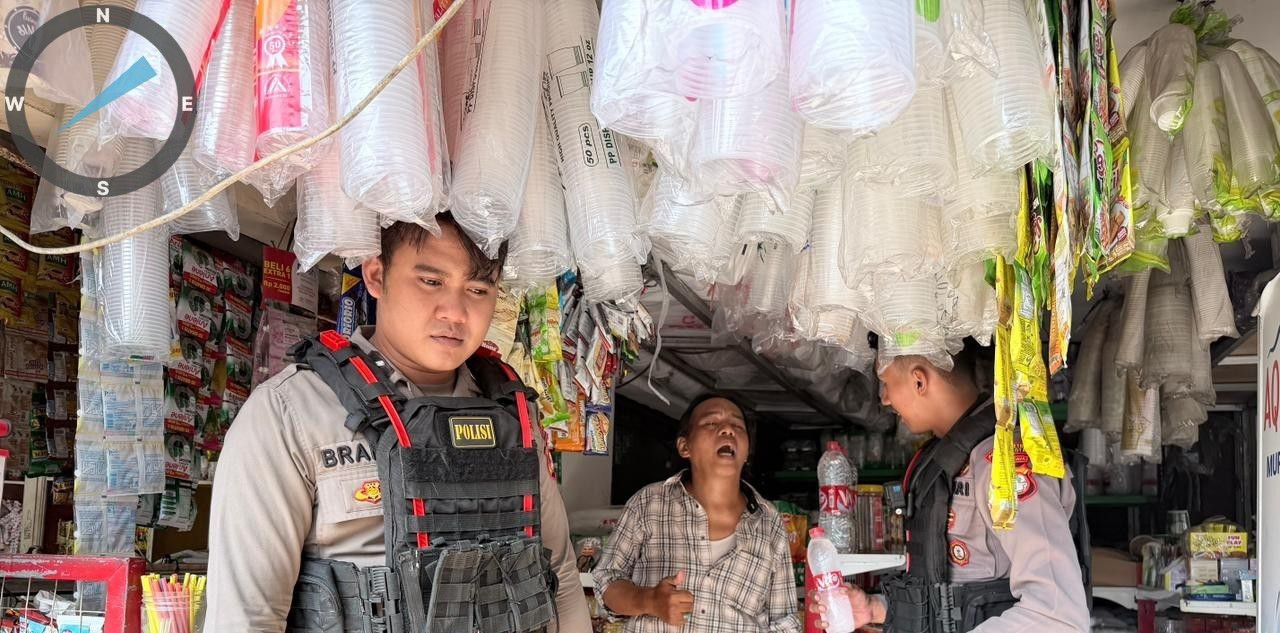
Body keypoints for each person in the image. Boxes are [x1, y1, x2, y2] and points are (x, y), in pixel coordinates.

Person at [205, 213, 591, 633]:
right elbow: (247, 618)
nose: (456, 312)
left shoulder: (514, 414)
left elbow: (561, 579)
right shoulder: (289, 413)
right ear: (376, 275)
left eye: (478, 289)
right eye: (431, 281)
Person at [811, 343, 1089, 633]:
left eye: (886, 384)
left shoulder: (1005, 460)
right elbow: (951, 592)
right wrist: (878, 609)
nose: (885, 400)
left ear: (919, 381)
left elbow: (1057, 617)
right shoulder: (945, 459)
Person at [592, 393, 800, 633]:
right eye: (711, 423)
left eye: (737, 426)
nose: (727, 430)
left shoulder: (769, 523)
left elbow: (784, 622)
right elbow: (605, 581)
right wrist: (649, 600)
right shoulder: (650, 504)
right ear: (685, 446)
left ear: (747, 452)